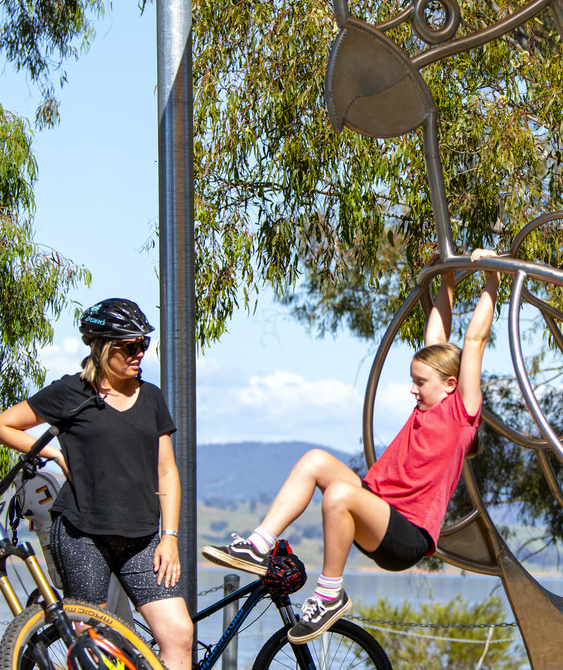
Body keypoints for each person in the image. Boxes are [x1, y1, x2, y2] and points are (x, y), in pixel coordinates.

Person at [205, 250, 502, 643]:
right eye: (413, 379)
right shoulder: (428, 402)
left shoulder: (461, 412)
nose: (412, 389)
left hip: (407, 535)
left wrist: (491, 279)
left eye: (421, 382)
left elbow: (474, 340)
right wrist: (446, 278)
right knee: (314, 460)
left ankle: (329, 593)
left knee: (341, 494)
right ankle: (259, 544)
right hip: (378, 506)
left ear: (449, 384)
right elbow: (436, 338)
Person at [0, 299, 191, 670]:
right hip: (82, 533)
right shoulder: (71, 392)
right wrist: (53, 453)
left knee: (179, 634)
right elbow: (1, 426)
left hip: (144, 535)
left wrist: (170, 537)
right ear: (100, 347)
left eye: (143, 345)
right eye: (128, 347)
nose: (139, 354)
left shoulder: (151, 398)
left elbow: (167, 471)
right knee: (92, 645)